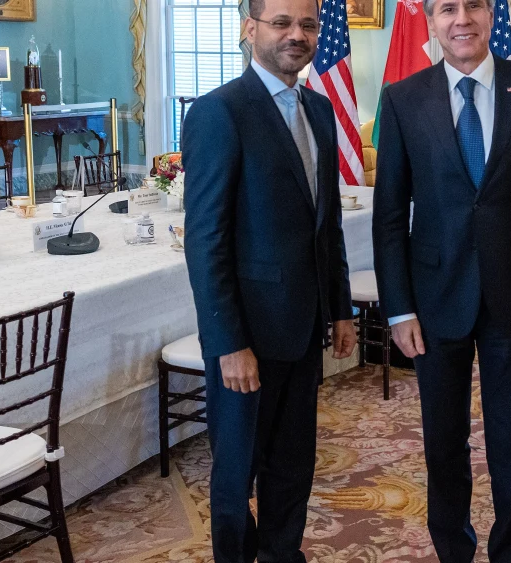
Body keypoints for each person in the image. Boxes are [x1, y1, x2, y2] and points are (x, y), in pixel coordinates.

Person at [371, 0, 511, 558]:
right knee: (443, 441)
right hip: (434, 301)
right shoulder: (402, 99)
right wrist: (398, 309)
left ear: (492, 15)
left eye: (473, 6)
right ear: (432, 21)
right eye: (446, 9)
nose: (461, 19)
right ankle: (453, 550)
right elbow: (389, 217)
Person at [181, 0, 357, 557]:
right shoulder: (220, 112)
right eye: (281, 23)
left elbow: (324, 225)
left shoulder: (321, 111)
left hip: (304, 329)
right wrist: (228, 342)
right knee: (237, 476)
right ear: (249, 28)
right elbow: (205, 240)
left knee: (292, 464)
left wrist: (340, 308)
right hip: (246, 337)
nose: (296, 35)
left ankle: (282, 553)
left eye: (307, 24)